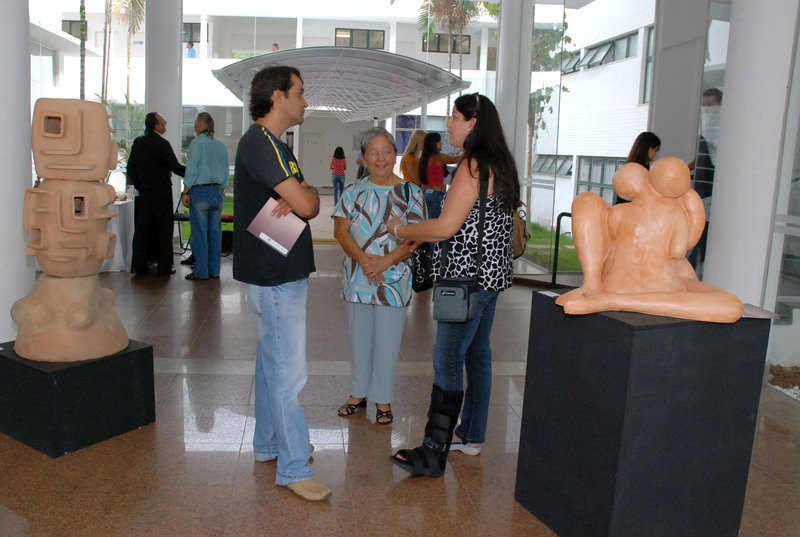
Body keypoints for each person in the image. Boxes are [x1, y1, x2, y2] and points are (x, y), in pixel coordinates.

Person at [386, 93, 520, 477]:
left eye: (455, 117)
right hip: (490, 278)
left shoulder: (473, 165)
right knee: (477, 355)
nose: (448, 124)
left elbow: (446, 227)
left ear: (473, 123)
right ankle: (471, 436)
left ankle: (433, 450)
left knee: (447, 360)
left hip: (464, 281)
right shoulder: (501, 162)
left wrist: (400, 229)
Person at [233, 65, 331, 501]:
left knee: (271, 363)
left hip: (279, 269)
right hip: (274, 273)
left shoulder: (276, 145)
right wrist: (302, 196)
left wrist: (301, 194)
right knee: (287, 372)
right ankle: (294, 468)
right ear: (277, 96)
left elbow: (307, 197)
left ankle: (269, 444)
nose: (305, 101)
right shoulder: (260, 143)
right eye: (300, 92)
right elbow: (308, 205)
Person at [332, 127, 426, 426]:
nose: (381, 158)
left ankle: (383, 399)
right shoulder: (352, 191)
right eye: (373, 152)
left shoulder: (411, 193)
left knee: (388, 342)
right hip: (358, 277)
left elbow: (416, 237)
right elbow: (341, 231)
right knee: (359, 340)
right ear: (363, 157)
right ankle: (357, 394)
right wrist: (365, 262)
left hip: (394, 281)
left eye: (386, 151)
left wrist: (384, 262)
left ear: (395, 155)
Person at [127, 112, 185, 276]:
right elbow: (175, 166)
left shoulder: (138, 142)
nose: (165, 123)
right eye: (163, 121)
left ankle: (140, 265)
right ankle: (164, 266)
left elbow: (130, 167)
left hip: (145, 193)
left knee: (143, 229)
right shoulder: (162, 144)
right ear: (156, 125)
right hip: (162, 193)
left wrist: (140, 185)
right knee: (164, 228)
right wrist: (194, 171)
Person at [181, 112, 229, 280]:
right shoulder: (221, 144)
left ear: (201, 125)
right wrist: (222, 188)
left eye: (196, 122)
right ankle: (214, 270)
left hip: (200, 192)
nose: (194, 125)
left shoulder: (197, 143)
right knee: (215, 234)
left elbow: (192, 169)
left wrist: (186, 191)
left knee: (200, 234)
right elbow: (225, 169)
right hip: (217, 192)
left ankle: (201, 271)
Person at [417, 132, 460, 219]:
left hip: (423, 192)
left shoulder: (422, 159)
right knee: (436, 221)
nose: (441, 143)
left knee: (425, 221)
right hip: (436, 193)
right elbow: (455, 159)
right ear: (435, 143)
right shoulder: (439, 157)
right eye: (440, 141)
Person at [615, 131, 660, 204]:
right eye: (655, 150)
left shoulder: (628, 167)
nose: (655, 154)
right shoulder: (643, 170)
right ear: (648, 148)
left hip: (623, 207)